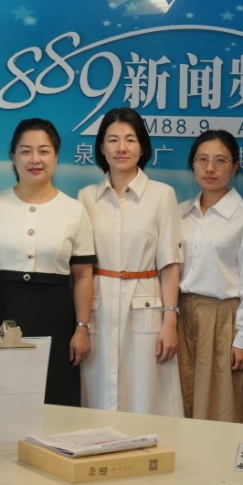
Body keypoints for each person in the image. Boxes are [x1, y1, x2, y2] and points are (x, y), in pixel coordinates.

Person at [0, 118, 95, 406]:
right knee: (3, 398)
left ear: (56, 156)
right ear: (13, 157)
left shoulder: (74, 210)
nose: (35, 159)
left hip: (57, 314)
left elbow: (83, 275)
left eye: (43, 151)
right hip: (5, 311)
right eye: (25, 151)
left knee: (56, 397)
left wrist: (82, 327)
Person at [78, 106, 183, 416]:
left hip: (145, 304)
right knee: (98, 394)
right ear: (101, 147)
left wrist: (170, 321)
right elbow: (81, 270)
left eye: (130, 140)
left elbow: (169, 265)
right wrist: (80, 323)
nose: (121, 148)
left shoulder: (162, 195)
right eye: (113, 140)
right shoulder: (86, 197)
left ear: (143, 147)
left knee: (147, 395)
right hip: (99, 304)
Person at [177, 130, 243, 423]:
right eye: (202, 160)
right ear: (192, 164)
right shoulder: (180, 213)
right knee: (181, 397)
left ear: (235, 166)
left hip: (224, 320)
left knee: (222, 405)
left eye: (220, 160)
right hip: (180, 317)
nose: (210, 168)